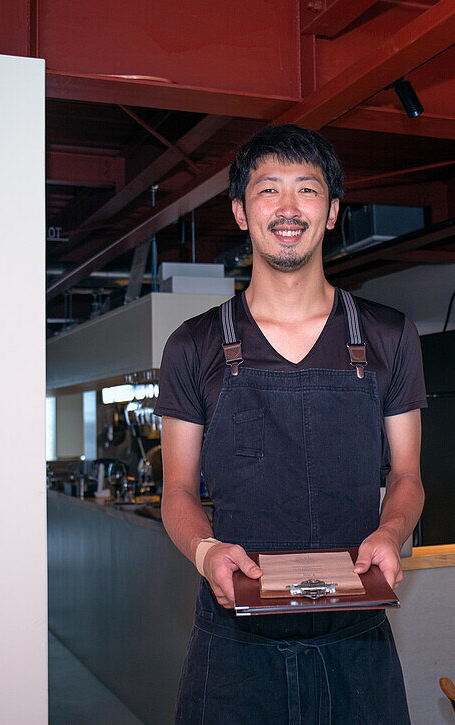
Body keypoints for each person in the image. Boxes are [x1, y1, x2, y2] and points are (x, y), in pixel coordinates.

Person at [155, 124, 426, 724]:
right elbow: (175, 491)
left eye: (307, 189)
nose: (287, 207)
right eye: (268, 189)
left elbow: (407, 474)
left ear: (331, 212)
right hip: (234, 653)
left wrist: (391, 533)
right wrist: (205, 554)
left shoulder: (387, 335)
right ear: (240, 211)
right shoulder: (194, 345)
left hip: (357, 648)